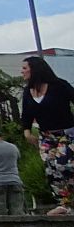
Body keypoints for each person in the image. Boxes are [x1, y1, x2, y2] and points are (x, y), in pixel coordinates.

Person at [20, 56, 74, 215]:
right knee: (51, 169)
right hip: (46, 135)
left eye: (24, 68)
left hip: (67, 132)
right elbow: (26, 114)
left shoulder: (59, 85)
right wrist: (27, 132)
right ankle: (64, 204)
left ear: (34, 69)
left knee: (63, 164)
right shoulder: (28, 92)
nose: (21, 71)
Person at [0, 127, 26, 215]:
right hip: (15, 180)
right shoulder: (13, 147)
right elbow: (18, 159)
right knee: (17, 212)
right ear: (1, 136)